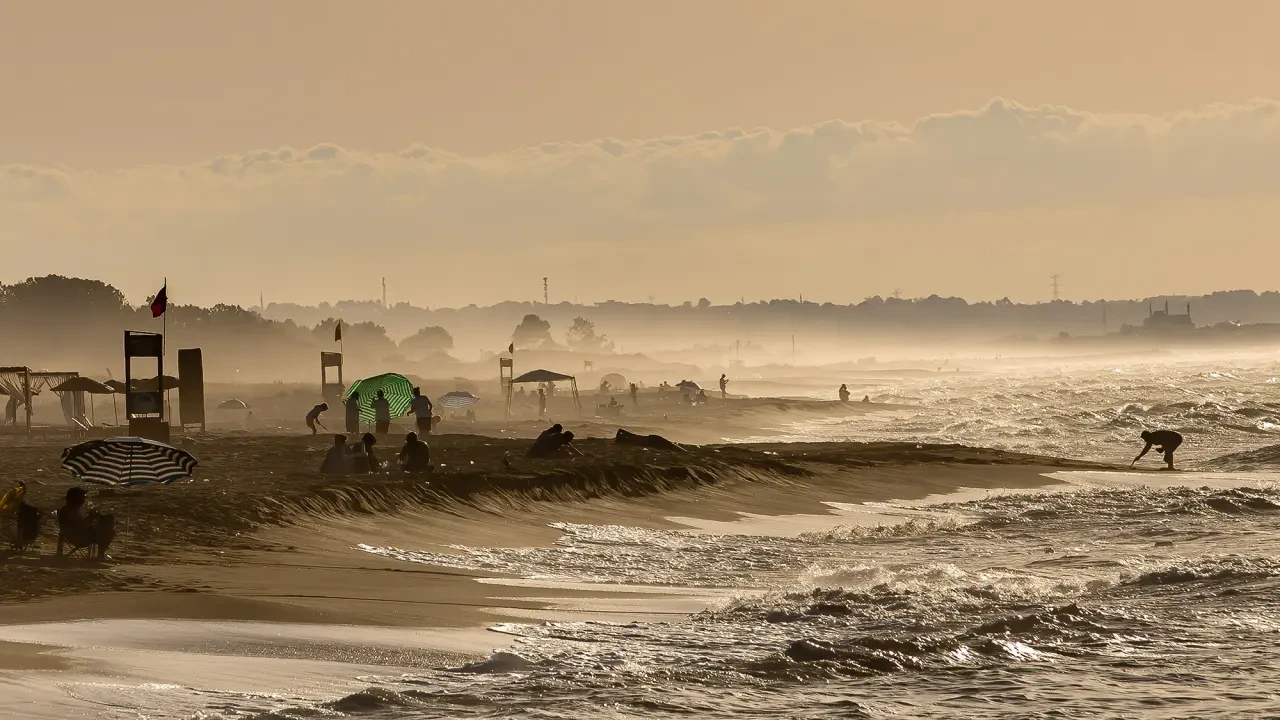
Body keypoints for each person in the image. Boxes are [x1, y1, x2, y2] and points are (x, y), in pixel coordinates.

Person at [58, 487, 114, 560]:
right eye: (83, 497)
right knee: (107, 530)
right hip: (79, 537)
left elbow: (81, 524)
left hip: (80, 534)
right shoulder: (69, 511)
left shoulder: (73, 509)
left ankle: (101, 555)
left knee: (106, 522)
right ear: (76, 498)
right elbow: (81, 524)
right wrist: (92, 516)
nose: (84, 499)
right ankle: (100, 555)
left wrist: (93, 516)